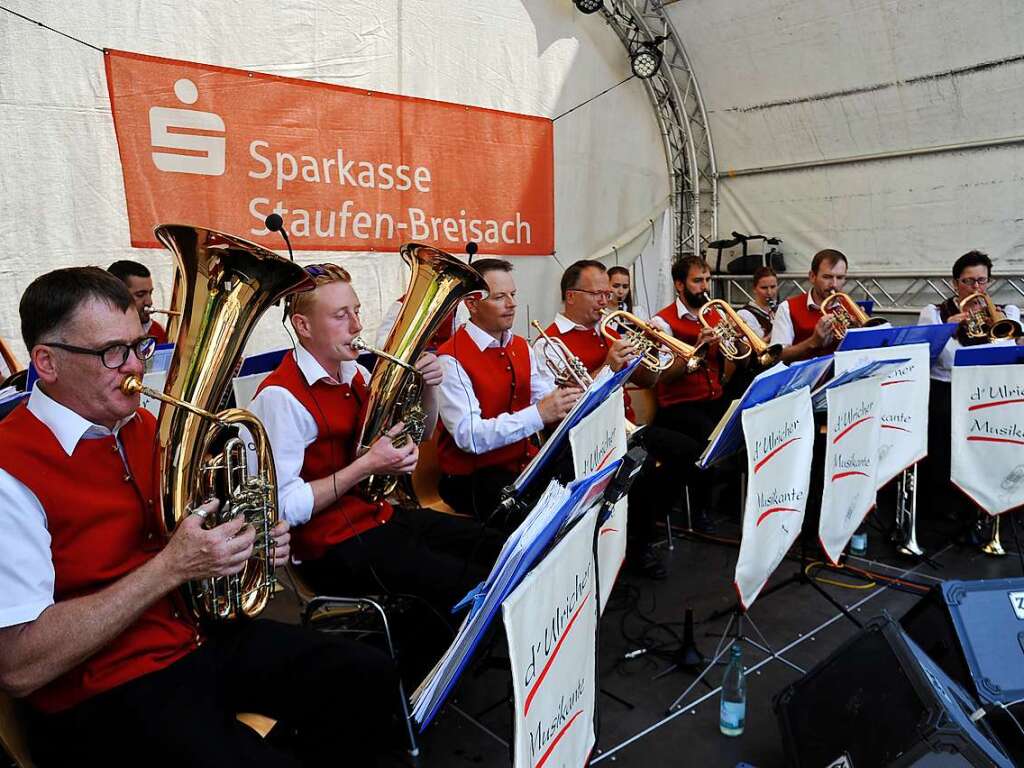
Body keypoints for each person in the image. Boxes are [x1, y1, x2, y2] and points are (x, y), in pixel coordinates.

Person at [0, 267, 397, 768]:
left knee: (365, 674)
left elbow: (187, 538)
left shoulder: (139, 423)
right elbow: (18, 664)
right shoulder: (9, 471)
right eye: (111, 353)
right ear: (47, 362)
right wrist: (172, 567)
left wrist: (244, 542)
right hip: (101, 693)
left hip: (192, 640)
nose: (136, 369)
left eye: (139, 346)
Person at [247, 263, 501, 671]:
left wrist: (428, 387)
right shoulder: (280, 397)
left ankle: (448, 653)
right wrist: (367, 466)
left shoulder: (356, 372)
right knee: (465, 582)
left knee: (494, 543)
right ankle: (428, 677)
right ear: (303, 325)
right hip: (329, 549)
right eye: (340, 315)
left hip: (375, 519)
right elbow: (281, 505)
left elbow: (420, 433)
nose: (357, 325)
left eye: (357, 311)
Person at [537, 260, 699, 578]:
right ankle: (629, 547)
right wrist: (608, 366)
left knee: (688, 452)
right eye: (597, 293)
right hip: (585, 438)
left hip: (625, 427)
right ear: (571, 296)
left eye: (608, 293)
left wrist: (645, 350)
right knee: (643, 466)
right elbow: (565, 408)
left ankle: (638, 532)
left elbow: (651, 380)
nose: (606, 301)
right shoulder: (549, 343)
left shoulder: (610, 330)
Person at [435, 258, 580, 528]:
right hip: (471, 478)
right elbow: (471, 438)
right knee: (541, 523)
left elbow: (543, 397)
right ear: (472, 303)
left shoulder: (519, 346)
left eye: (513, 294)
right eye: (500, 296)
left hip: (518, 465)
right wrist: (540, 413)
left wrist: (571, 396)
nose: (512, 303)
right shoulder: (450, 359)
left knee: (581, 490)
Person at [918, 250, 1023, 545]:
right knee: (948, 442)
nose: (976, 289)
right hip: (946, 389)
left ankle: (990, 501)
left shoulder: (1006, 313)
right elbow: (924, 357)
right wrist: (948, 328)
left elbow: (1017, 353)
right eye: (968, 282)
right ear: (955, 283)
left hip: (988, 390)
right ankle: (950, 504)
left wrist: (1007, 329)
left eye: (982, 281)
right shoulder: (934, 313)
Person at [650, 255, 733, 532]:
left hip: (711, 398)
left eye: (707, 280)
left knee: (743, 425)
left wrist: (734, 344)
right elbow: (661, 375)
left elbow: (737, 362)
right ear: (679, 285)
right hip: (677, 405)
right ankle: (699, 513)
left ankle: (727, 501)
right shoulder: (662, 322)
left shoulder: (713, 314)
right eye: (697, 281)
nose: (705, 287)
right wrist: (697, 349)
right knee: (708, 438)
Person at [770, 249, 850, 362]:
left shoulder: (849, 306)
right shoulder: (787, 307)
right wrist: (813, 342)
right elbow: (778, 356)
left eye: (840, 277)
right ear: (812, 276)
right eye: (827, 277)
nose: (834, 284)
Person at [108, 260, 169, 345]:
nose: (149, 302)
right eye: (140, 295)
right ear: (117, 295)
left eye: (150, 293)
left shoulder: (156, 331)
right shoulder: (102, 334)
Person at [736, 266, 778, 341]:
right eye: (764, 288)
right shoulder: (745, 314)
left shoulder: (781, 310)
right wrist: (775, 332)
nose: (769, 292)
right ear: (754, 289)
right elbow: (753, 345)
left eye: (773, 287)